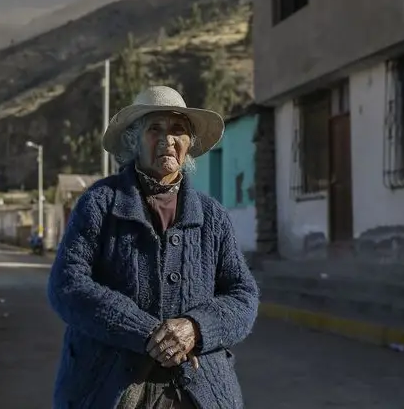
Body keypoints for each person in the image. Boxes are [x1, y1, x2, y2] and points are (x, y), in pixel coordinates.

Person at [47, 86, 260, 409]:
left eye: (178, 130)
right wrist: (148, 333)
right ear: (134, 140)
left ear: (189, 144)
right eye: (154, 129)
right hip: (111, 389)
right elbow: (67, 286)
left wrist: (195, 328)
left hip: (194, 391)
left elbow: (243, 295)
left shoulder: (212, 215)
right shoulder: (100, 204)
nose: (167, 140)